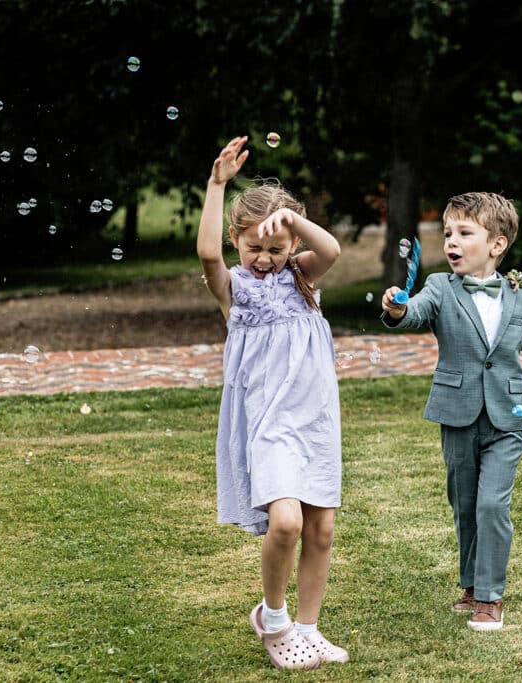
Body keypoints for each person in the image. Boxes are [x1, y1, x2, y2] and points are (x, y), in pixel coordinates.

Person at [380, 191, 522, 631]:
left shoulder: (520, 295)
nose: (451, 241)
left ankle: (490, 597)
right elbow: (414, 312)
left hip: (508, 417)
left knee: (493, 504)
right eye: (448, 233)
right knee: (466, 504)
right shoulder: (439, 288)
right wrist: (398, 308)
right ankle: (471, 586)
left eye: (464, 233)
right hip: (457, 415)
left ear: (497, 245)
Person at [197, 135, 348, 669]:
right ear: (239, 239)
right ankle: (274, 617)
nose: (264, 259)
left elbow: (330, 250)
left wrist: (290, 217)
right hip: (268, 423)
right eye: (254, 246)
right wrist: (218, 185)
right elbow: (208, 252)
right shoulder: (233, 288)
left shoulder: (303, 276)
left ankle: (308, 628)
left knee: (321, 529)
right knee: (285, 523)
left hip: (315, 420)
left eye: (275, 249)